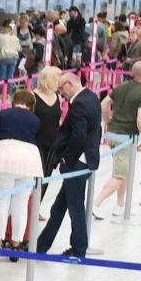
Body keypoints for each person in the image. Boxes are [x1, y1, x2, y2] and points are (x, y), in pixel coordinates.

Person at [37, 73, 101, 258]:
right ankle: (41, 246)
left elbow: (78, 136)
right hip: (87, 160)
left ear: (69, 84)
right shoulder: (91, 97)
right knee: (59, 207)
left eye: (61, 89)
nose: (61, 94)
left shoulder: (79, 103)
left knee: (75, 207)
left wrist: (67, 159)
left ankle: (79, 249)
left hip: (78, 163)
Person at [0, 88, 47, 252]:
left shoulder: (2, 115)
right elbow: (41, 140)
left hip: (3, 159)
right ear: (31, 105)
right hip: (29, 162)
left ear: (14, 101)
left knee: (0, 202)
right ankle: (16, 242)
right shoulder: (36, 120)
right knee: (21, 204)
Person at [96, 60, 141, 219]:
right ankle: (96, 204)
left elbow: (104, 104)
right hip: (126, 137)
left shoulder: (120, 87)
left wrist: (108, 121)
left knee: (124, 172)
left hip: (113, 134)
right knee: (119, 175)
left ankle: (120, 205)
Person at [32, 66, 66, 219]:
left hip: (52, 143)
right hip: (36, 142)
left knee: (46, 176)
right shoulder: (33, 96)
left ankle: (36, 207)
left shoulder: (58, 97)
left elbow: (58, 121)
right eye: (58, 77)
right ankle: (29, 208)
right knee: (35, 176)